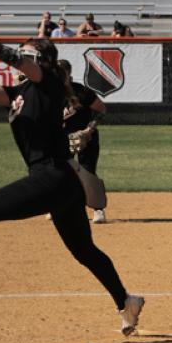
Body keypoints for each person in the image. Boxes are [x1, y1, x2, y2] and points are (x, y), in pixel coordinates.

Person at [0, 36, 145, 337]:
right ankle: (127, 301)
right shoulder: (22, 91)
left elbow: (23, 63)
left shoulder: (48, 82)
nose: (22, 59)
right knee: (84, 250)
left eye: (29, 55)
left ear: (43, 62)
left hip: (51, 176)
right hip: (63, 183)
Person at [58, 59, 107, 224]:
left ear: (69, 73)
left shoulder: (81, 92)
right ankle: (59, 207)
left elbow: (101, 110)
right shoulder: (49, 93)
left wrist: (88, 131)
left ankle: (98, 209)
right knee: (59, 173)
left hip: (87, 138)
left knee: (88, 173)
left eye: (62, 72)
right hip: (62, 140)